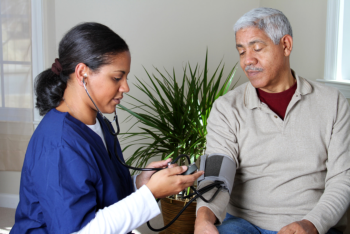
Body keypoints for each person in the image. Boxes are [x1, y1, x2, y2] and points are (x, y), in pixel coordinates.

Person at [11, 22, 203, 234]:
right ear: (82, 73)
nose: (126, 87)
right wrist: (149, 194)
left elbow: (100, 193)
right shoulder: (59, 144)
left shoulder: (99, 124)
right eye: (117, 77)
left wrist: (139, 184)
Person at [194, 7, 350, 234]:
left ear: (286, 45)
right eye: (241, 52)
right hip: (243, 224)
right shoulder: (227, 108)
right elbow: (217, 173)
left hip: (310, 224)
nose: (248, 61)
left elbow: (342, 179)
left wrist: (312, 224)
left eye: (257, 48)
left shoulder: (332, 103)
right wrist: (204, 219)